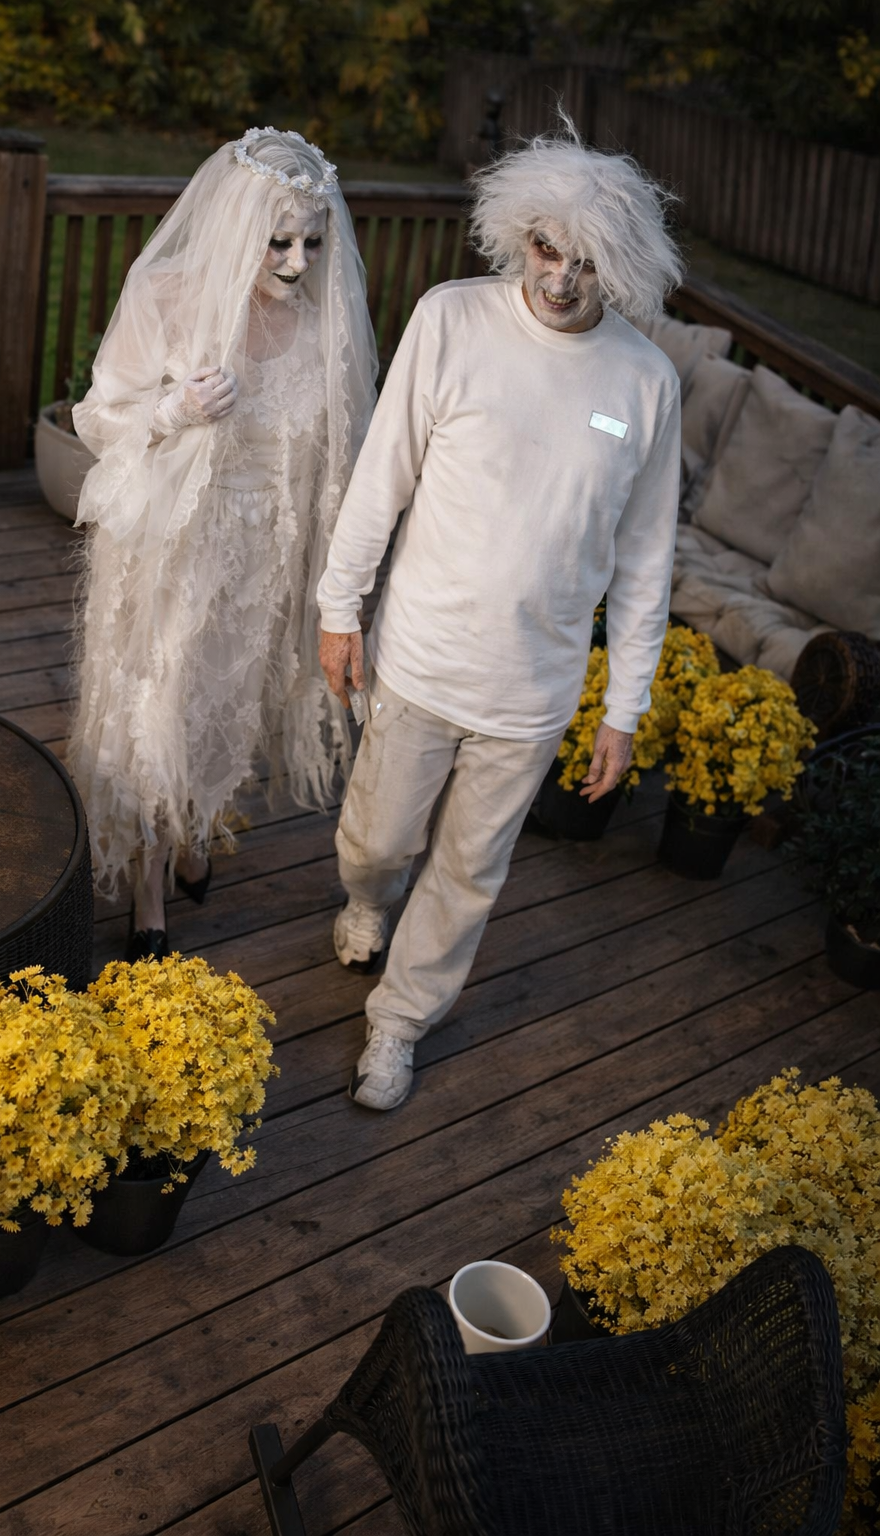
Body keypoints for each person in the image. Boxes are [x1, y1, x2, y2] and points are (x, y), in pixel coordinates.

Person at [317, 120, 684, 1110]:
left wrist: (623, 710)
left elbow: (647, 564)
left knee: (469, 873)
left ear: (625, 268)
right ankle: (362, 899)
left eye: (587, 261)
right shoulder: (450, 320)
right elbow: (379, 474)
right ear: (517, 233)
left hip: (535, 688)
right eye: (545, 249)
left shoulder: (646, 384)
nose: (560, 280)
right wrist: (339, 607)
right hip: (424, 654)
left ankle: (397, 1022)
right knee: (379, 842)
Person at [68, 128, 377, 959]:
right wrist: (172, 414)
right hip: (173, 546)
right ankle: (147, 887)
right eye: (277, 242)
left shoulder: (321, 325)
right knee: (160, 700)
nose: (297, 262)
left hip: (260, 559)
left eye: (312, 241)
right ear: (236, 226)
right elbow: (97, 418)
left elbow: (339, 455)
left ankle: (197, 820)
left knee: (225, 708)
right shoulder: (166, 294)